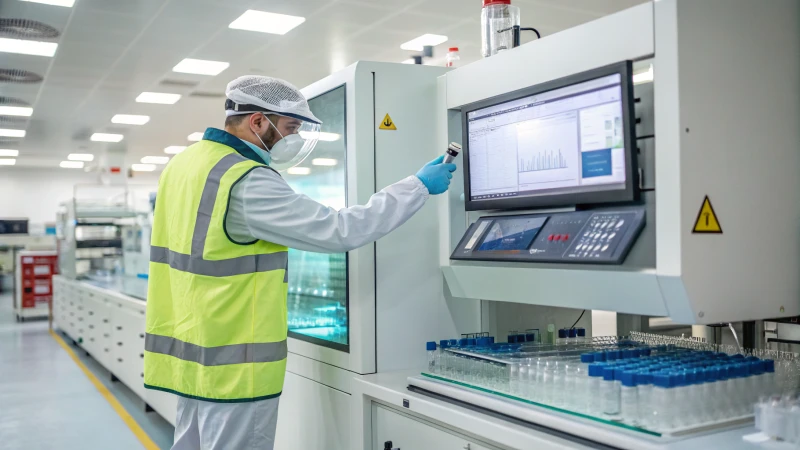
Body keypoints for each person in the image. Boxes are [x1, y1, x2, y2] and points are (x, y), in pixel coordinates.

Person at [143, 75, 456, 449]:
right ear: (258, 121)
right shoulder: (246, 180)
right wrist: (417, 186)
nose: (292, 138)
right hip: (235, 364)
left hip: (192, 356)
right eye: (290, 127)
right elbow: (339, 230)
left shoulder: (184, 164)